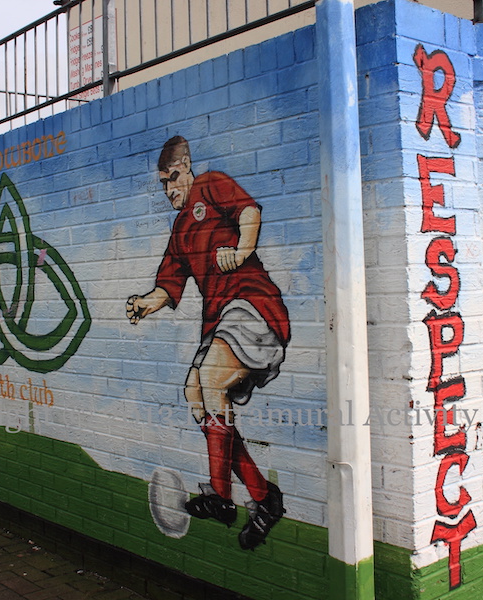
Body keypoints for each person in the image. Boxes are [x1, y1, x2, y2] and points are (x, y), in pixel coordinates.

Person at [127, 136, 290, 550]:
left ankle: (221, 495)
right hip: (219, 321)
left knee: (212, 378)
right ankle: (263, 497)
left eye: (173, 178)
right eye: (163, 184)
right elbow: (168, 286)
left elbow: (249, 211)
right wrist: (145, 303)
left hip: (252, 304)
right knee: (195, 391)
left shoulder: (210, 185)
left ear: (187, 167)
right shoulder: (180, 231)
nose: (169, 190)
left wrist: (241, 250)